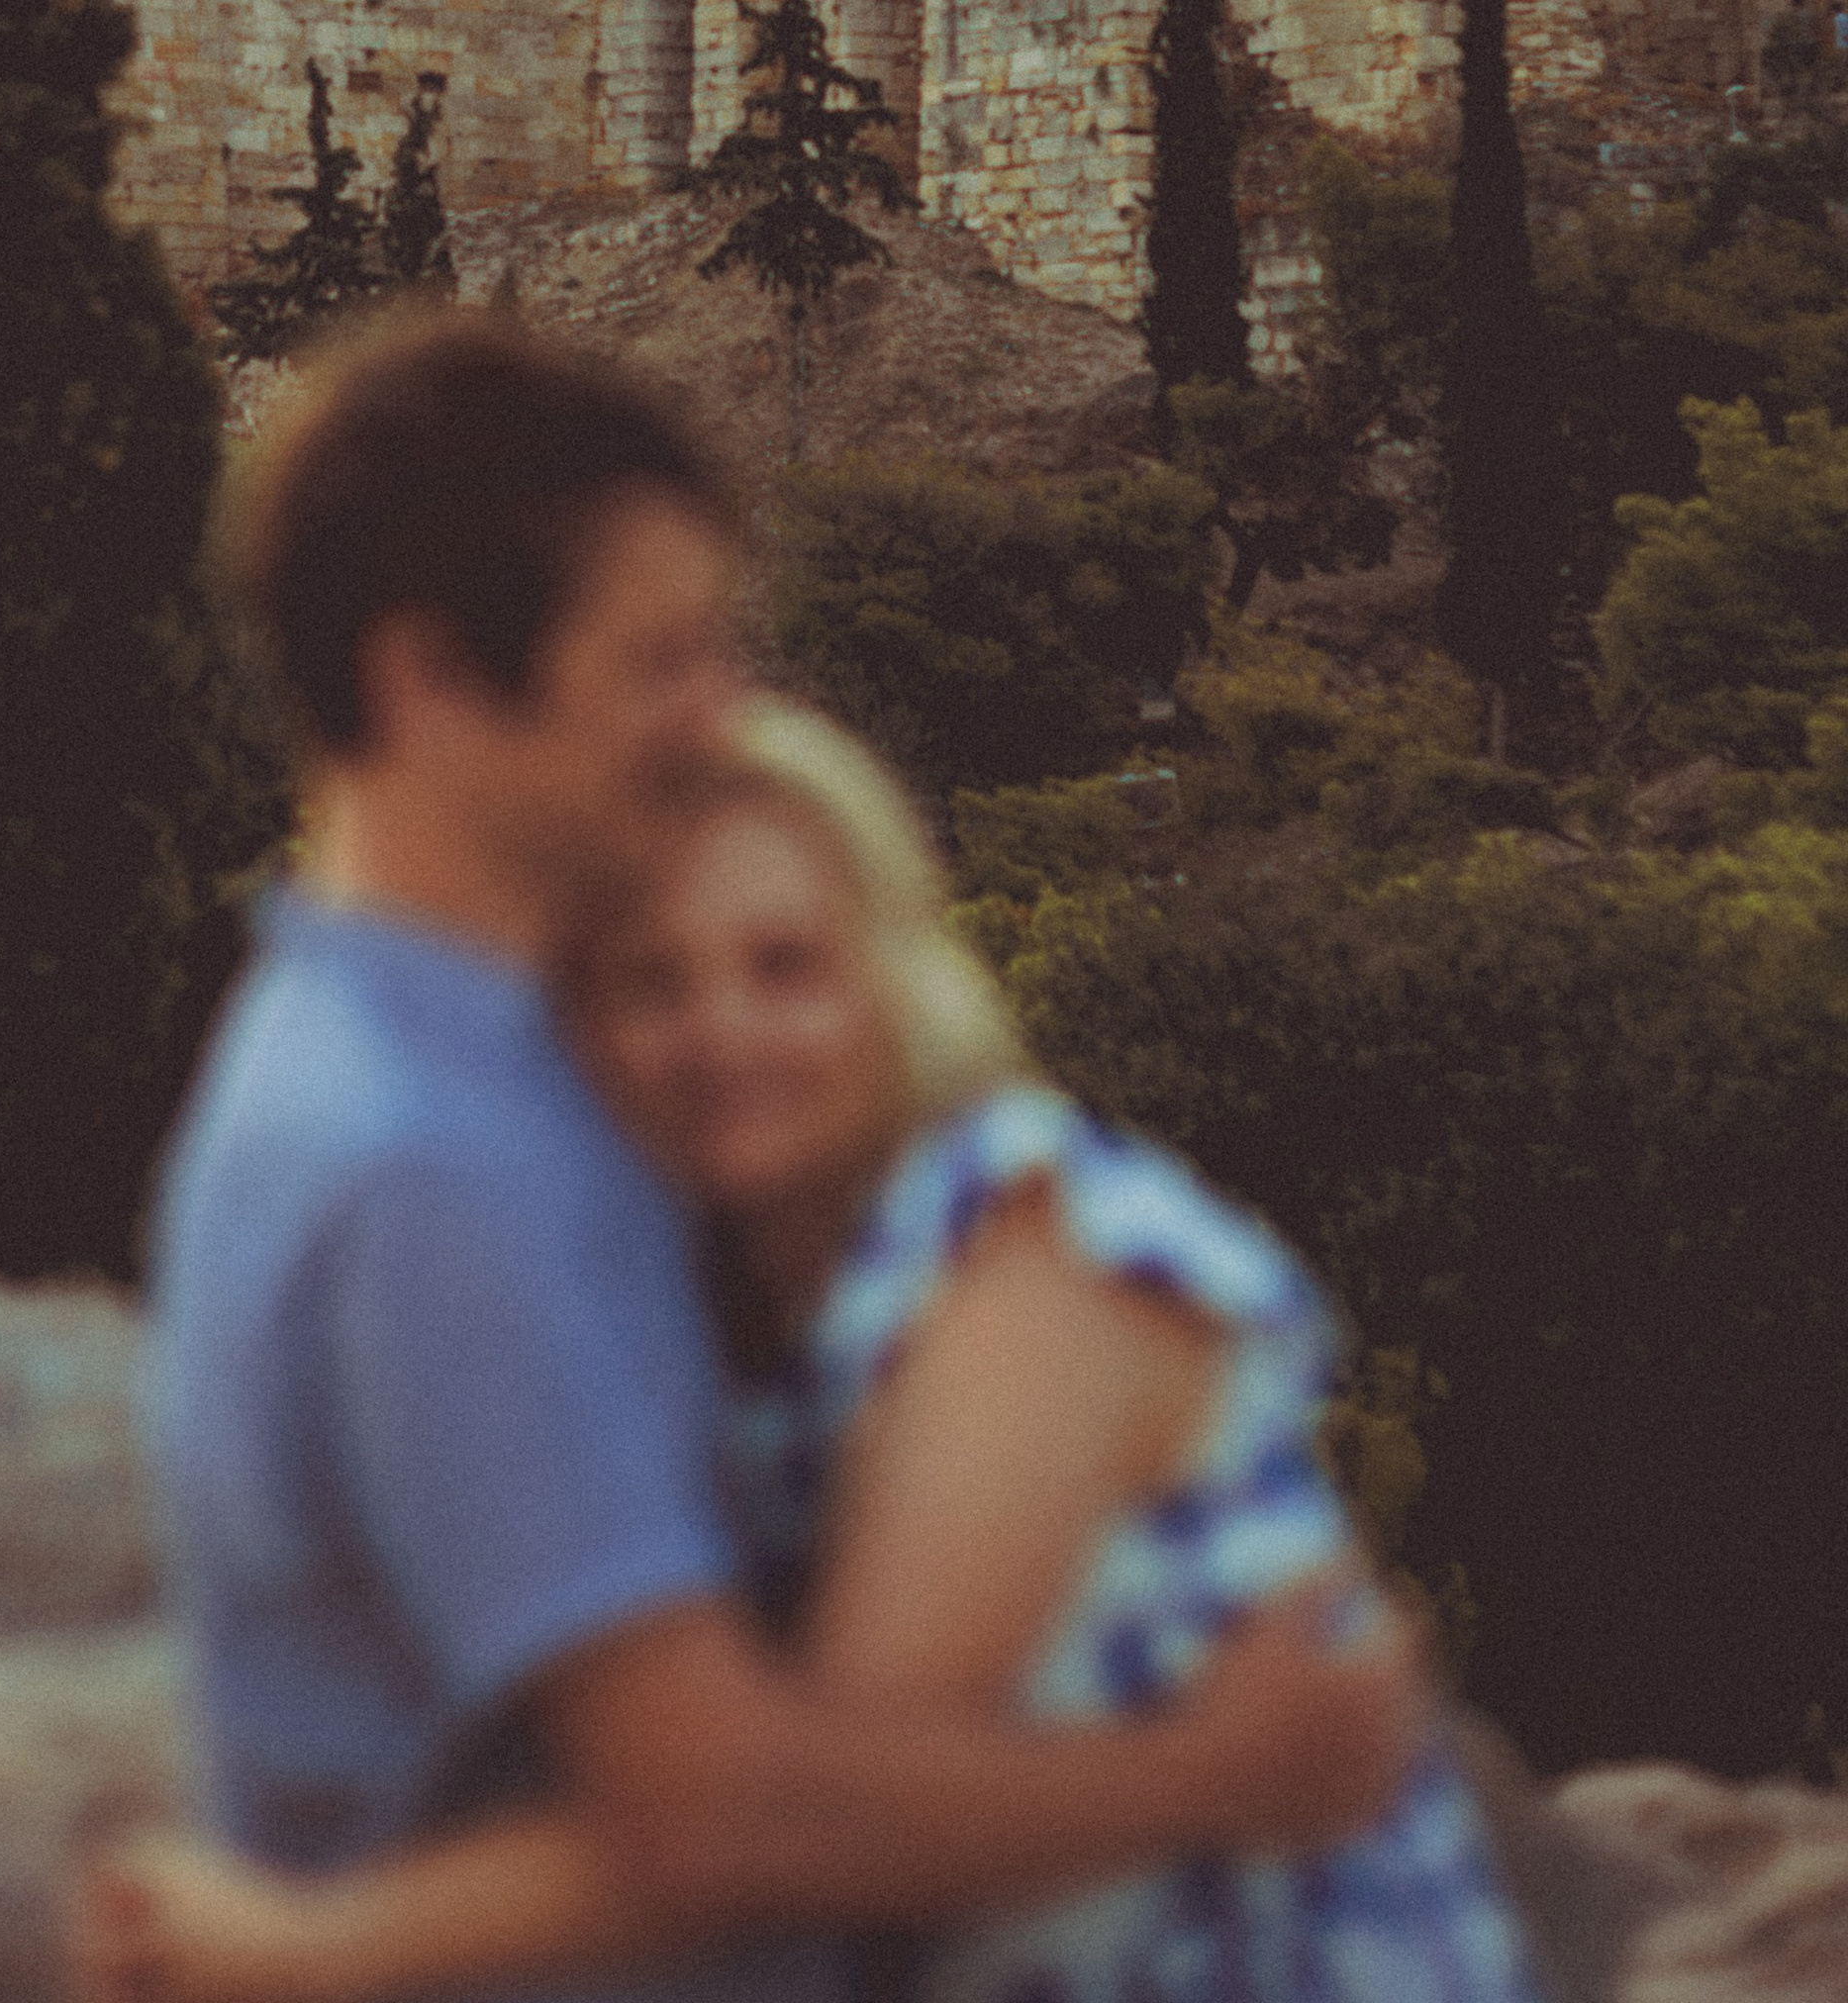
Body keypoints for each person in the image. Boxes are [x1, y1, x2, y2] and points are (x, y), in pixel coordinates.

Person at [89, 312, 1426, 2003]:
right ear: (428, 679)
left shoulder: (411, 1067)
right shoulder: (434, 1165)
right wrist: (1214, 1779)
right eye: (660, 661)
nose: (720, 714)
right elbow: (723, 1819)